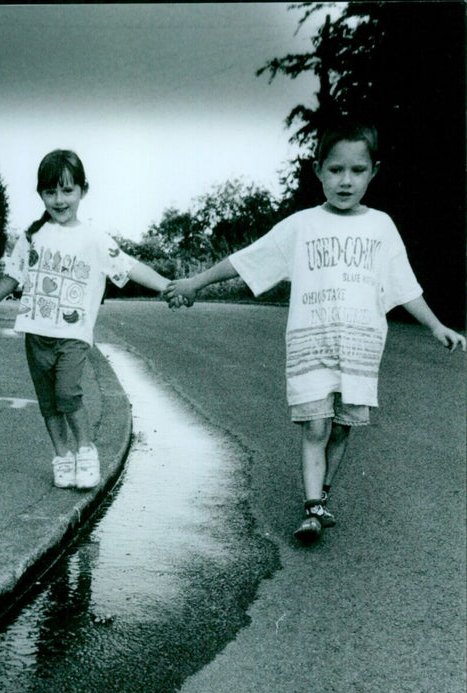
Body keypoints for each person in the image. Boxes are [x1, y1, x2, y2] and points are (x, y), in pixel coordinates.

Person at [165, 120, 466, 543]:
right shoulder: (301, 226)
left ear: (373, 172)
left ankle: (321, 497)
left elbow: (404, 287)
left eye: (357, 171)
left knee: (341, 428)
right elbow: (247, 260)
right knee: (316, 428)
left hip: (359, 352)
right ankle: (311, 509)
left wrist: (436, 326)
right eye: (335, 170)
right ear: (318, 170)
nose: (346, 181)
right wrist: (194, 283)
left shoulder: (381, 227)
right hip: (312, 347)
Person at [0, 149, 170, 490]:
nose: (59, 200)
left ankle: (86, 450)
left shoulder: (93, 237)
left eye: (67, 191)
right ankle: (62, 456)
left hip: (72, 336)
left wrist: (168, 286)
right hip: (36, 334)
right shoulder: (32, 235)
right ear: (41, 194)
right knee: (49, 403)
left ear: (82, 191)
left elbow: (129, 266)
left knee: (68, 394)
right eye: (50, 192)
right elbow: (14, 275)